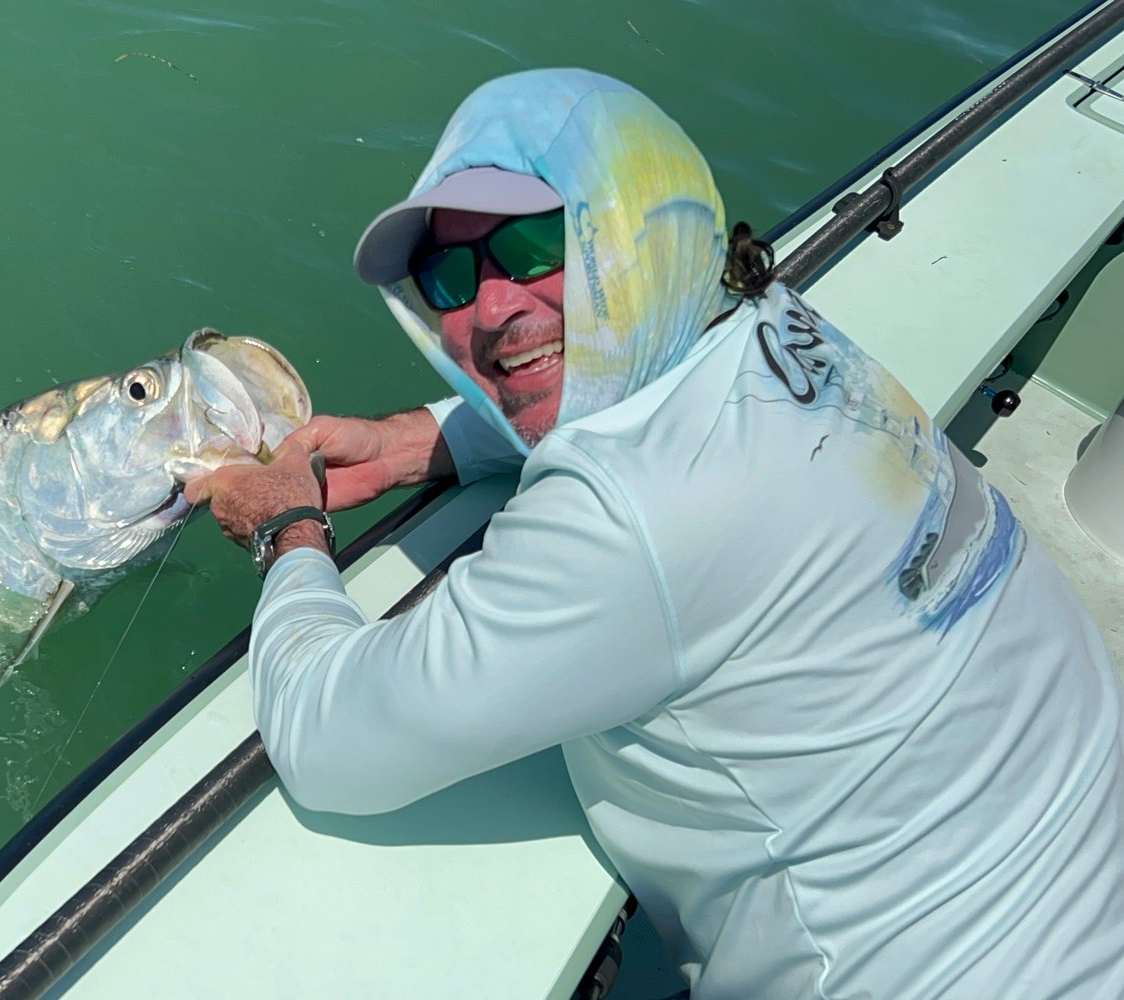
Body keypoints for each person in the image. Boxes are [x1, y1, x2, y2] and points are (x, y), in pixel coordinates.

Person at [184, 69, 1124, 998]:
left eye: (530, 243)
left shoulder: (628, 516)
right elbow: (630, 376)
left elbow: (329, 743)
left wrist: (288, 525)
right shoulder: (775, 322)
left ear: (630, 224)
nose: (489, 307)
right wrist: (414, 442)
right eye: (450, 274)